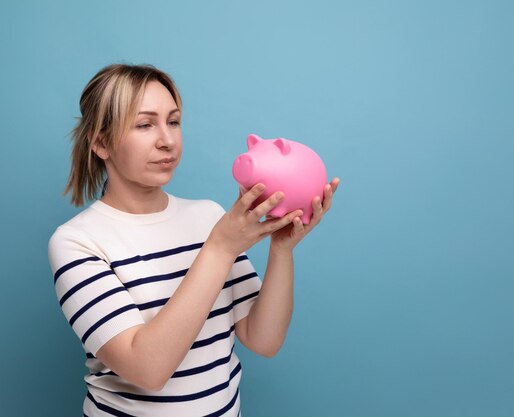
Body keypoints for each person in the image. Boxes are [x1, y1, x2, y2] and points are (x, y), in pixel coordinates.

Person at [48, 63, 340, 417]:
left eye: (173, 121)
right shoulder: (77, 241)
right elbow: (148, 370)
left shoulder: (208, 217)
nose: (167, 140)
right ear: (101, 143)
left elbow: (263, 340)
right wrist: (219, 248)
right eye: (144, 124)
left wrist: (281, 250)